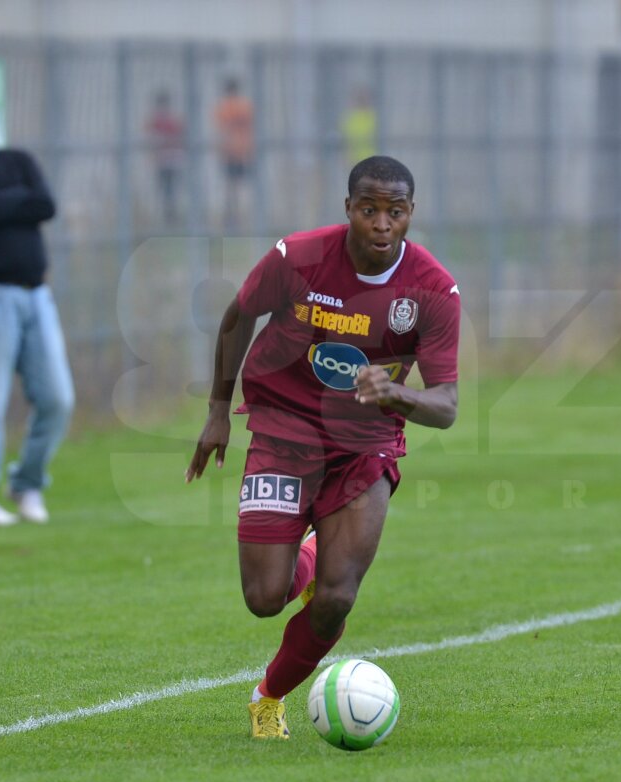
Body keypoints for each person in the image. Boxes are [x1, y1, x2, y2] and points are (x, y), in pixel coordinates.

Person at [185, 155, 461, 739]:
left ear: (411, 214)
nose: (382, 224)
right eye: (370, 210)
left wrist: (396, 396)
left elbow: (447, 405)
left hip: (365, 447)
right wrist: (216, 411)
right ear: (349, 210)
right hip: (282, 433)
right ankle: (305, 554)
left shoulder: (433, 291)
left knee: (337, 596)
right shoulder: (299, 257)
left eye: (396, 211)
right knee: (264, 597)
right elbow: (238, 318)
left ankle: (267, 697)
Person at [0, 106, 76, 527]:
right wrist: (17, 203)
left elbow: (44, 203)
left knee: (57, 398)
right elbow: (28, 203)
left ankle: (25, 483)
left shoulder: (17, 160)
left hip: (37, 295)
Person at [213, 77, 254, 232]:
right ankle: (238, 217)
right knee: (238, 187)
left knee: (230, 187)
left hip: (230, 151)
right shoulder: (245, 106)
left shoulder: (223, 107)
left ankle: (233, 217)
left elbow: (220, 130)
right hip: (242, 151)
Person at [145, 89, 185, 226]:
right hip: (166, 160)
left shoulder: (163, 121)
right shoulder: (164, 121)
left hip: (170, 160)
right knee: (166, 189)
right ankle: (168, 216)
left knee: (169, 189)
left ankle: (170, 216)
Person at [342, 88, 378, 168]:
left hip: (371, 158)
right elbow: (346, 141)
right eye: (360, 98)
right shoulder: (350, 117)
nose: (363, 101)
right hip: (354, 159)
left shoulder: (373, 116)